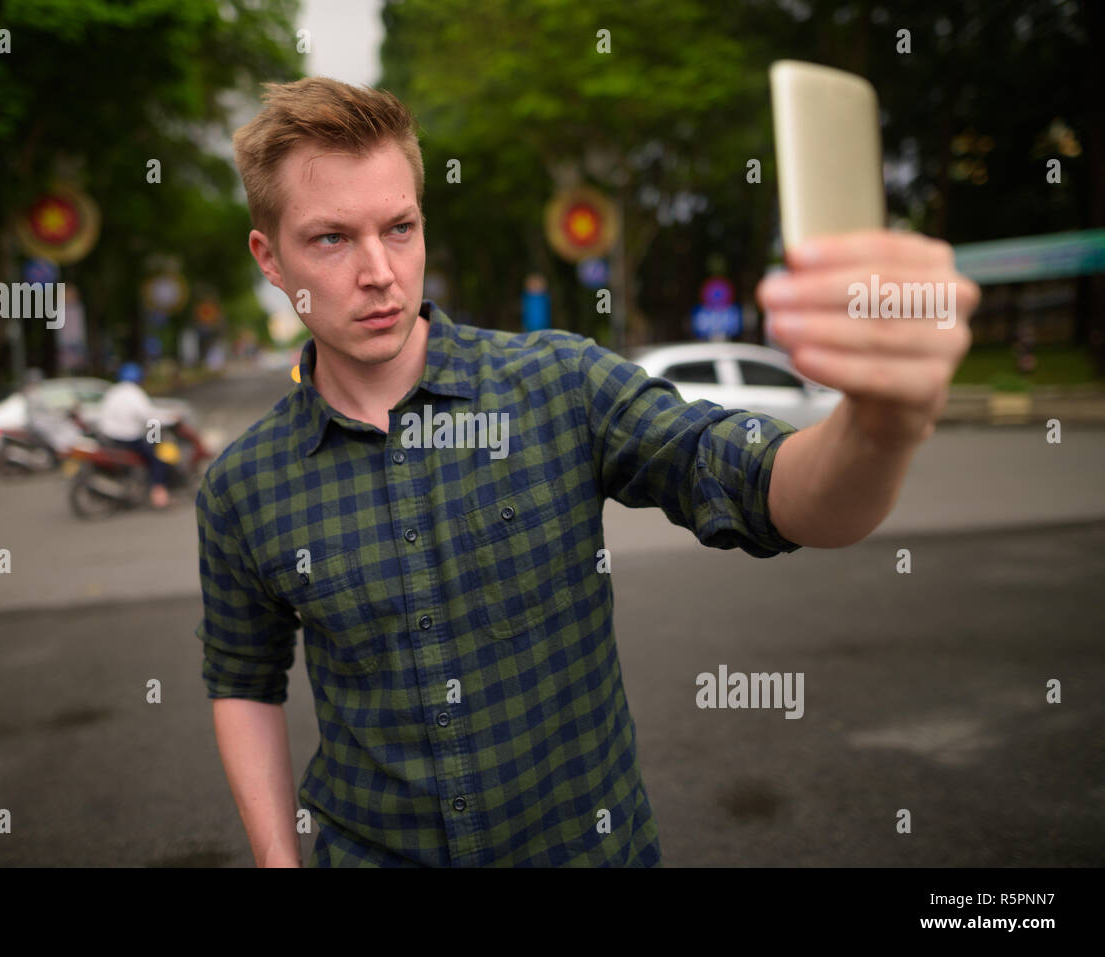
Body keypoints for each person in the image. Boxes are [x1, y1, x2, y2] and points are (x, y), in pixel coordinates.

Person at [196, 78, 978, 867]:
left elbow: (764, 483)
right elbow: (244, 680)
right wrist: (276, 859)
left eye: (399, 228)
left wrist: (880, 424)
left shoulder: (560, 382)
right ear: (269, 257)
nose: (379, 271)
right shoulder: (241, 487)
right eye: (331, 239)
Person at [98, 362, 170, 509]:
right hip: (127, 439)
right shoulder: (135, 394)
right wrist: (155, 438)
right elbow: (149, 418)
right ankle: (159, 493)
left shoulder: (113, 391)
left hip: (107, 437)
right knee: (156, 459)